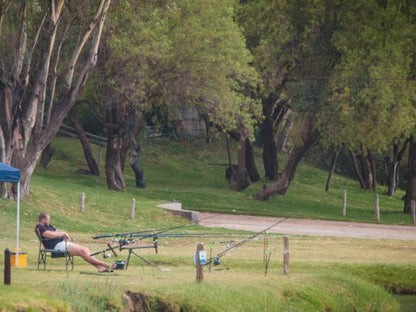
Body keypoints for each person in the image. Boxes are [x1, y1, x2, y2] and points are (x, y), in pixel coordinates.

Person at [35, 212, 116, 272]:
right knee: (83, 251)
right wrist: (62, 233)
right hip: (56, 246)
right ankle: (106, 265)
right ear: (43, 220)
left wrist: (63, 234)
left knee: (85, 250)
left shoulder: (48, 226)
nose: (49, 221)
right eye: (48, 220)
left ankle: (100, 268)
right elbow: (48, 235)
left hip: (62, 243)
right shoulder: (40, 227)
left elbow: (56, 231)